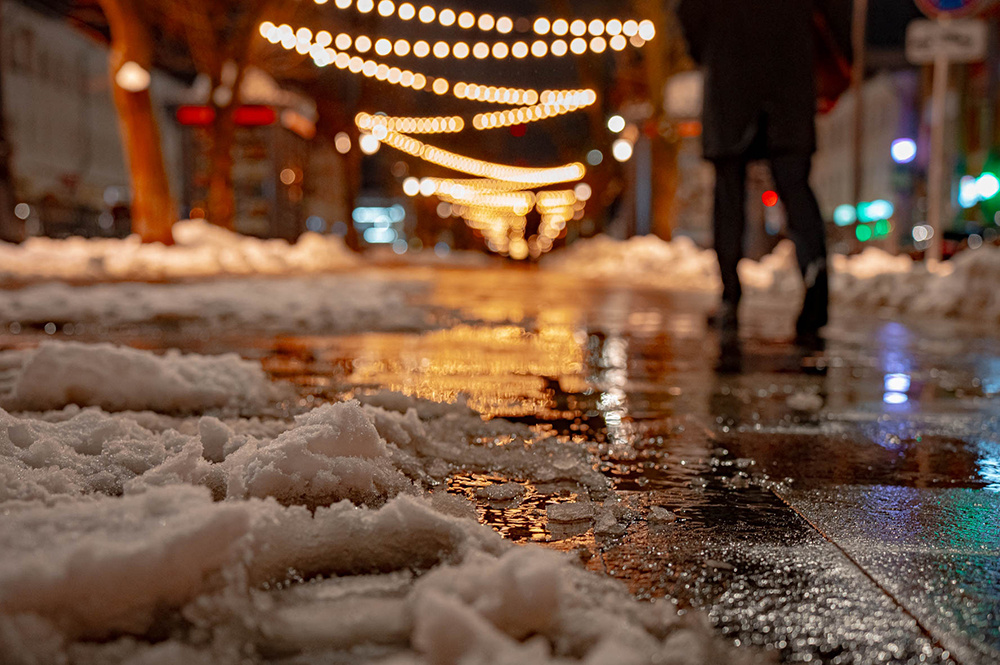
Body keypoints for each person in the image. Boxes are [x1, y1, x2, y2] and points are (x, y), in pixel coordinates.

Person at [677, 0, 852, 343]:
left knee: (728, 194)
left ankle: (729, 296)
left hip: (730, 70)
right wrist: (838, 59)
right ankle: (815, 285)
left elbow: (688, 11)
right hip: (789, 70)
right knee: (795, 186)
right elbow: (836, 10)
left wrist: (707, 50)